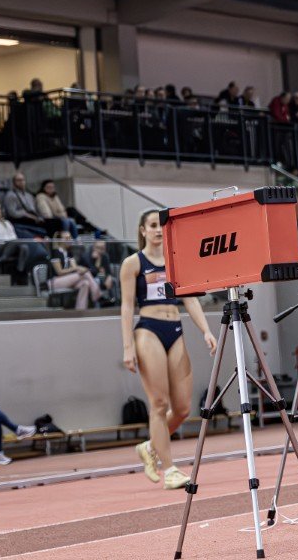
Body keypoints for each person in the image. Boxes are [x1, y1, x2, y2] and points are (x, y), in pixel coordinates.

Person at [120, 209, 218, 489]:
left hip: (175, 330)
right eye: (151, 226)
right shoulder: (132, 263)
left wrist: (206, 331)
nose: (156, 231)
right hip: (148, 329)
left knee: (184, 409)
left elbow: (190, 300)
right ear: (142, 230)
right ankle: (170, 470)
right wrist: (128, 347)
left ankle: (150, 446)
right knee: (159, 404)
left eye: (160, 226)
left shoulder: (176, 262)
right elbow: (127, 307)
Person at [48, 231, 101, 309]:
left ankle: (81, 309)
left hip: (67, 279)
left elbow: (75, 268)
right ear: (60, 240)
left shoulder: (69, 252)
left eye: (70, 238)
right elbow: (59, 272)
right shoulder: (55, 252)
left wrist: (81, 269)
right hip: (54, 282)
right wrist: (78, 269)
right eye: (66, 238)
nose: (69, 240)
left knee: (85, 283)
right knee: (84, 273)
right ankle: (96, 293)